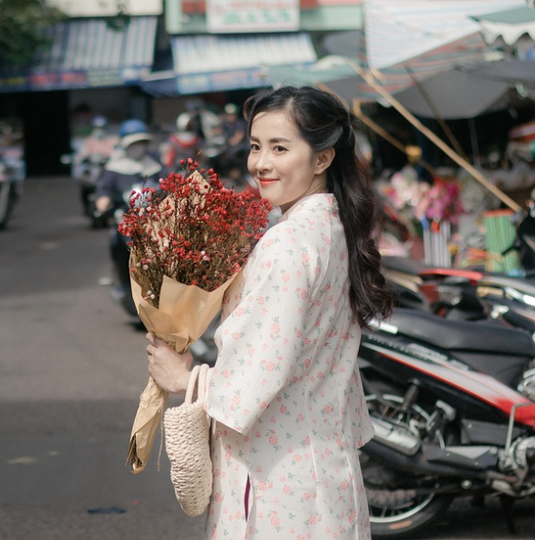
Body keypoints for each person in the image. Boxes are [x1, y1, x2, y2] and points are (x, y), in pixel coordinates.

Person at [145, 86, 393, 539]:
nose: (261, 163)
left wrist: (184, 379)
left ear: (322, 159)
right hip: (324, 472)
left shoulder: (287, 242)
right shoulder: (332, 226)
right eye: (257, 146)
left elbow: (259, 374)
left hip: (281, 483)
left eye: (281, 148)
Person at [93, 119, 164, 215]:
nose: (137, 147)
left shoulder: (154, 163)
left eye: (140, 143)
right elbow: (104, 189)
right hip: (124, 213)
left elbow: (166, 182)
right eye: (133, 144)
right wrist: (103, 200)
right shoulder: (114, 167)